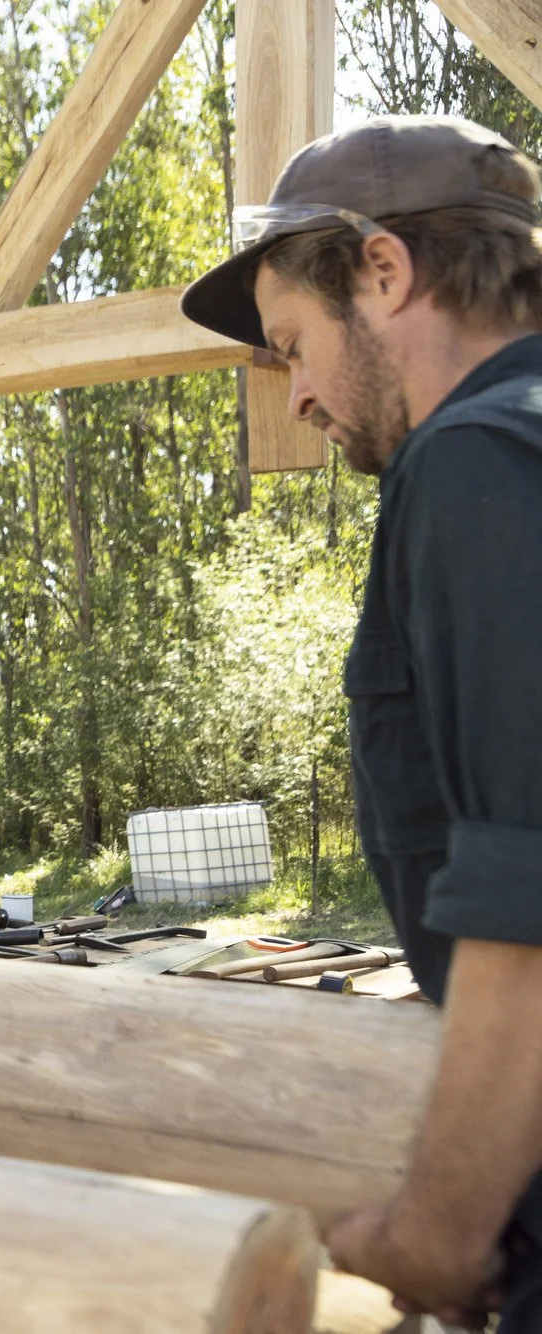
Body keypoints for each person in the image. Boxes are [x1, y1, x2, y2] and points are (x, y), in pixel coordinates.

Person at [182, 115, 542, 1329]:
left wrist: (432, 1231)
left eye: (292, 344)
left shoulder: (472, 462)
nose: (299, 397)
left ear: (382, 272)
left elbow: (528, 896)